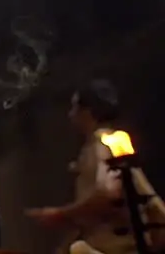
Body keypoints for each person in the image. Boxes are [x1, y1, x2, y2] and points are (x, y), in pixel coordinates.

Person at [27, 79, 165, 254]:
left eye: (74, 108)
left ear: (87, 111)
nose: (70, 115)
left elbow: (107, 193)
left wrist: (60, 213)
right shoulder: (114, 142)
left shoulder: (100, 145)